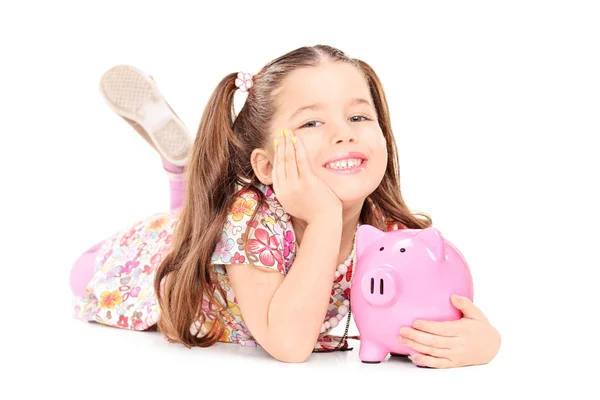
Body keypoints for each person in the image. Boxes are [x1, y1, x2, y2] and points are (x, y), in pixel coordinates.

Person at [70, 44, 501, 367]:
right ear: (268, 165)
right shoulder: (251, 220)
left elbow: (425, 309)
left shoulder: (387, 232)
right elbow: (289, 345)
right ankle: (186, 182)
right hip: (167, 256)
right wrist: (326, 217)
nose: (343, 134)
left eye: (358, 117)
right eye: (312, 122)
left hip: (213, 228)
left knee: (195, 219)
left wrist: (482, 343)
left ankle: (190, 179)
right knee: (81, 274)